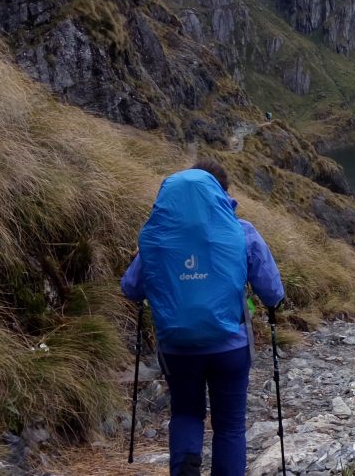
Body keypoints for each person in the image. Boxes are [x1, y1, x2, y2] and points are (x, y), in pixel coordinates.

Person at [121, 159, 286, 476]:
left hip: (176, 347)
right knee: (230, 426)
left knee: (185, 413)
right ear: (223, 195)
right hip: (231, 347)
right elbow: (272, 291)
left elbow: (131, 288)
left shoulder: (157, 239)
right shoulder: (242, 232)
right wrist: (273, 303)